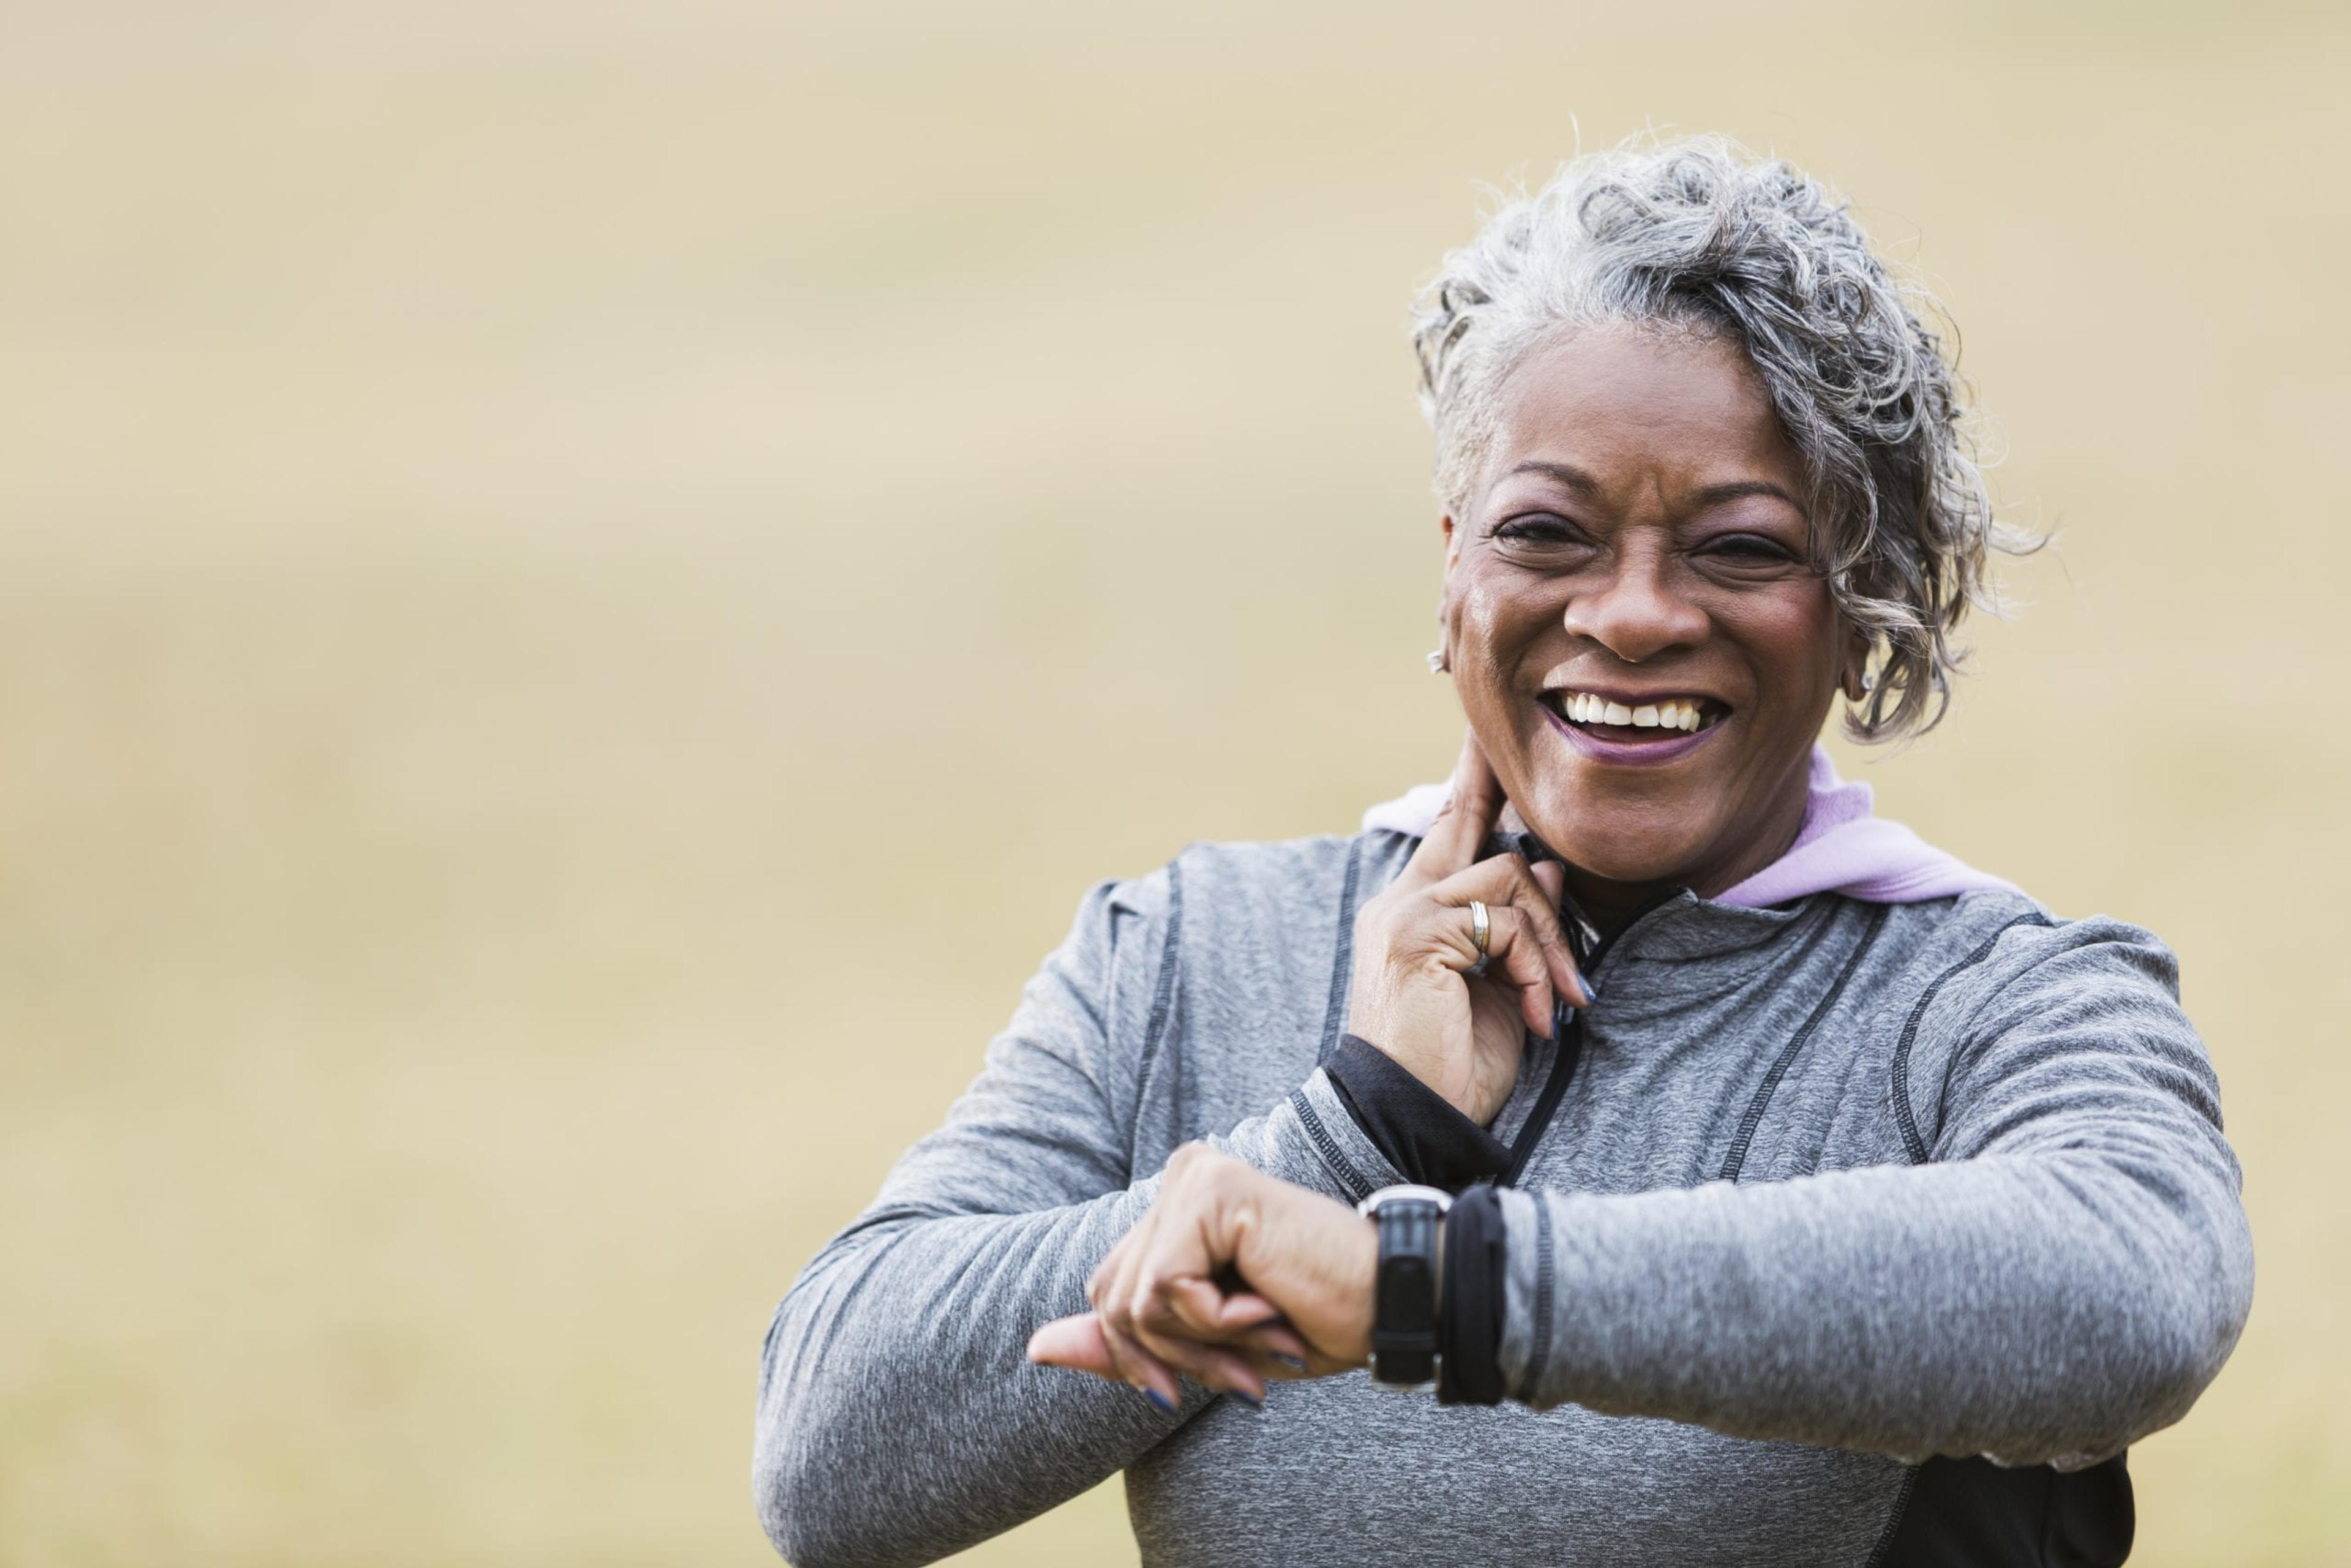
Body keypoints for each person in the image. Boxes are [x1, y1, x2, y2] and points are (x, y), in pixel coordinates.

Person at [752, 137, 2252, 1568]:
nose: (1635, 614)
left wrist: (1429, 1288)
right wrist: (1356, 1131)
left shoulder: (1984, 996)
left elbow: (2138, 1291)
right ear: (1456, 556)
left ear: (1862, 600)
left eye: (1740, 546)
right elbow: (829, 1458)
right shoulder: (1194, 949)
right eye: (1550, 533)